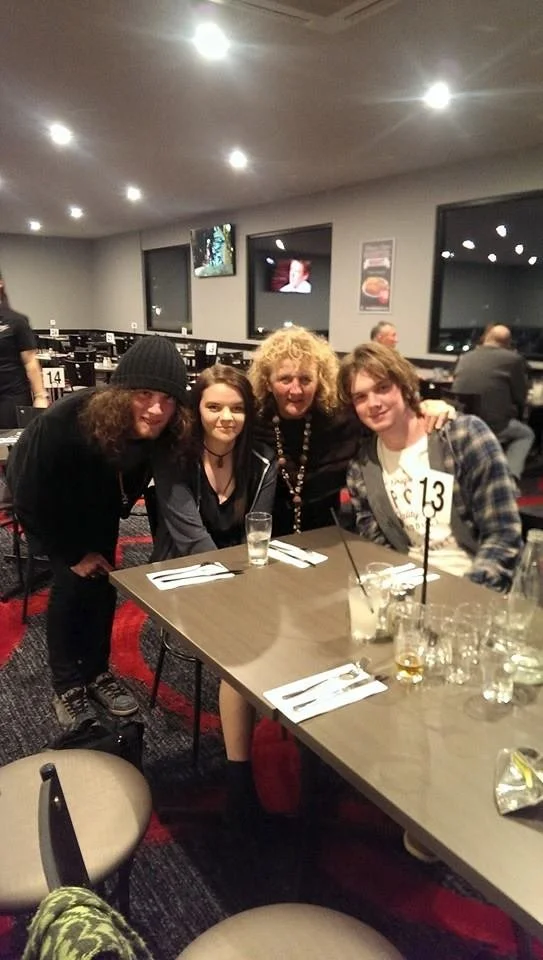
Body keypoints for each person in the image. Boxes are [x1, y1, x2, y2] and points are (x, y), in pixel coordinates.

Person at [7, 336, 190, 729]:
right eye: (144, 394)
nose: (157, 409)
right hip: (49, 504)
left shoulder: (161, 431)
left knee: (103, 580)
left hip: (101, 500)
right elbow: (28, 494)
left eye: (168, 398)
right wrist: (70, 554)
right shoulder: (65, 423)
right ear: (121, 393)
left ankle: (96, 671)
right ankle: (67, 684)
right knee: (71, 584)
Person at [151, 364, 277, 825]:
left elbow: (256, 535)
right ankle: (240, 783)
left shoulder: (262, 460)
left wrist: (247, 582)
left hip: (241, 574)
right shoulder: (175, 457)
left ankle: (256, 766)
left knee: (274, 628)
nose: (227, 416)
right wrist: (241, 587)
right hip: (181, 575)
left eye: (238, 407)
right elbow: (190, 538)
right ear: (196, 409)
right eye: (215, 406)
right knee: (245, 643)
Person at [339, 342, 522, 591]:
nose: (373, 403)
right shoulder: (362, 468)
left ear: (404, 387)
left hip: (474, 587)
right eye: (360, 397)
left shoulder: (464, 438)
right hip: (409, 590)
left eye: (383, 388)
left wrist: (469, 593)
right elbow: (378, 547)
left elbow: (503, 536)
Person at [453, 324, 534, 484]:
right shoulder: (514, 359)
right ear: (508, 343)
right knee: (526, 434)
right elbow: (520, 396)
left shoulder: (465, 357)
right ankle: (509, 478)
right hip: (492, 424)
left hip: (460, 422)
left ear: (486, 338)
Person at [0, 272, 49, 428]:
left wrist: (40, 395)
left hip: (11, 395)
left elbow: (30, 362)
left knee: (14, 444)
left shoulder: (16, 321)